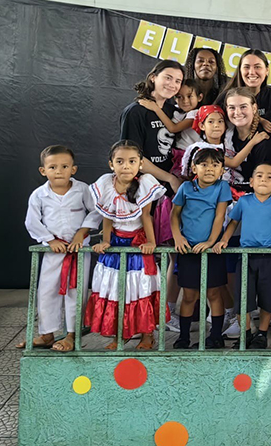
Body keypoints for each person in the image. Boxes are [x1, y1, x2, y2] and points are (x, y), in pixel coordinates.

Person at [85, 141, 166, 350]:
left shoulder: (145, 183)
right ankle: (121, 334)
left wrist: (151, 242)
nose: (126, 166)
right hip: (115, 244)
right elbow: (107, 217)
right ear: (111, 164)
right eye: (120, 161)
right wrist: (105, 241)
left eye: (131, 161)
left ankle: (147, 335)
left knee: (140, 289)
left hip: (137, 245)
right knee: (116, 289)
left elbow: (147, 216)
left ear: (140, 164)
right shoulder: (105, 184)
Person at [21, 145, 100, 351]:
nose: (59, 171)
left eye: (64, 166)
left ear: (73, 169)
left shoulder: (83, 189)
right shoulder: (39, 195)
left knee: (76, 291)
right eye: (53, 167)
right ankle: (47, 334)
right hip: (53, 251)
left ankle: (71, 335)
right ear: (43, 171)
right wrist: (50, 240)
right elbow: (32, 222)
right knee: (46, 292)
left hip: (78, 251)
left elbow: (95, 213)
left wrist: (81, 233)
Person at [213, 163, 271, 350]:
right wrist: (224, 240)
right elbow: (233, 222)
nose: (263, 180)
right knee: (243, 299)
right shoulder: (244, 201)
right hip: (246, 256)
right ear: (251, 182)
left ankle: (262, 335)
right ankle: (247, 334)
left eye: (269, 177)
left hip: (270, 256)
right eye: (259, 176)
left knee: (268, 298)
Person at [171, 146, 231, 349]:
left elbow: (219, 217)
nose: (209, 169)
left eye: (215, 165)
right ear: (194, 168)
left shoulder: (222, 187)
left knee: (214, 293)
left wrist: (210, 242)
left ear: (222, 169)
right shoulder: (185, 188)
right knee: (189, 295)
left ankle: (215, 336)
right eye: (203, 164)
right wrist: (178, 237)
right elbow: (174, 215)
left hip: (211, 250)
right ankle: (184, 337)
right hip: (188, 250)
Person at [119, 60, 184, 197]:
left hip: (169, 188)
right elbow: (133, 158)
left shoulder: (174, 112)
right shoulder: (135, 112)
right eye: (168, 77)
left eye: (178, 81)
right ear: (153, 77)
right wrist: (170, 178)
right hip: (141, 187)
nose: (172, 84)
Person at [222, 88, 271, 195]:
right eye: (232, 108)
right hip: (226, 192)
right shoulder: (224, 133)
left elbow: (266, 189)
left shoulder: (264, 141)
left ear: (254, 108)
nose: (237, 112)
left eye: (243, 107)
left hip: (251, 197)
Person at [139, 79, 203, 177]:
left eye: (189, 96)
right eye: (179, 97)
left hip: (192, 156)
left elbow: (173, 128)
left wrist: (156, 108)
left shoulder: (196, 114)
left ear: (199, 97)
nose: (185, 101)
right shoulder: (178, 112)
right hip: (178, 154)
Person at [218, 49, 271, 120]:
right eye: (246, 67)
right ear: (240, 70)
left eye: (257, 67)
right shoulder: (227, 97)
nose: (252, 72)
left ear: (267, 70)